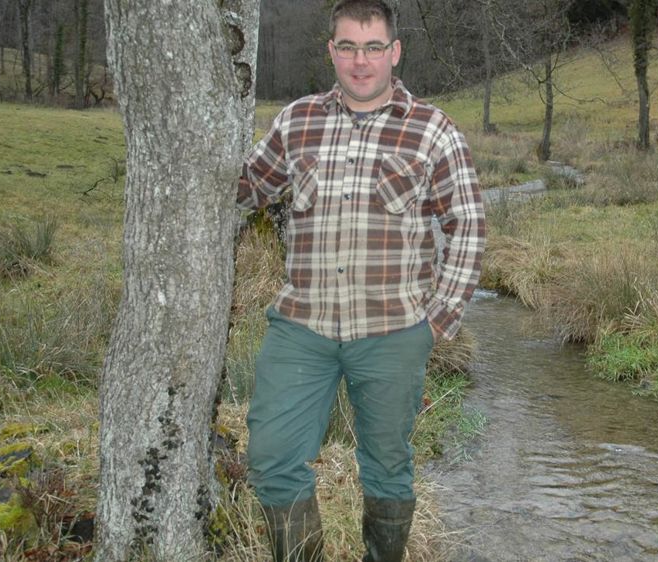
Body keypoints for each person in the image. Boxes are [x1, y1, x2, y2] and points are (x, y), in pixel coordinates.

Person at [236, 1, 485, 560]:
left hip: (393, 332)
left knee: (387, 469)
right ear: (331, 51)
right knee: (272, 457)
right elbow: (247, 186)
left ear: (395, 52)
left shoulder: (433, 130)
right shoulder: (296, 121)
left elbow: (466, 224)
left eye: (373, 47)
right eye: (347, 46)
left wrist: (437, 320)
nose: (360, 60)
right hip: (302, 327)